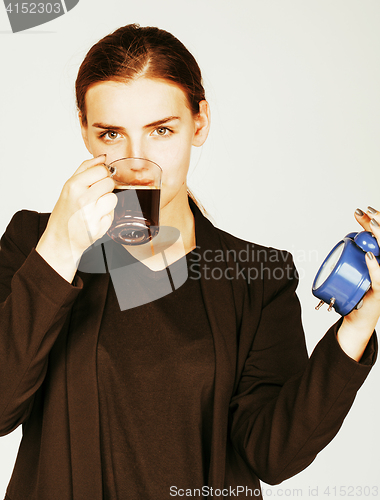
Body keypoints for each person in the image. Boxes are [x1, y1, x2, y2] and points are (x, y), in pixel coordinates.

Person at [0, 23, 378, 500]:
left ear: (199, 123)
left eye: (161, 130)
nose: (137, 160)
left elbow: (273, 456)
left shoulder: (255, 276)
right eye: (111, 134)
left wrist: (356, 329)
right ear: (84, 130)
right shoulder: (33, 244)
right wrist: (58, 250)